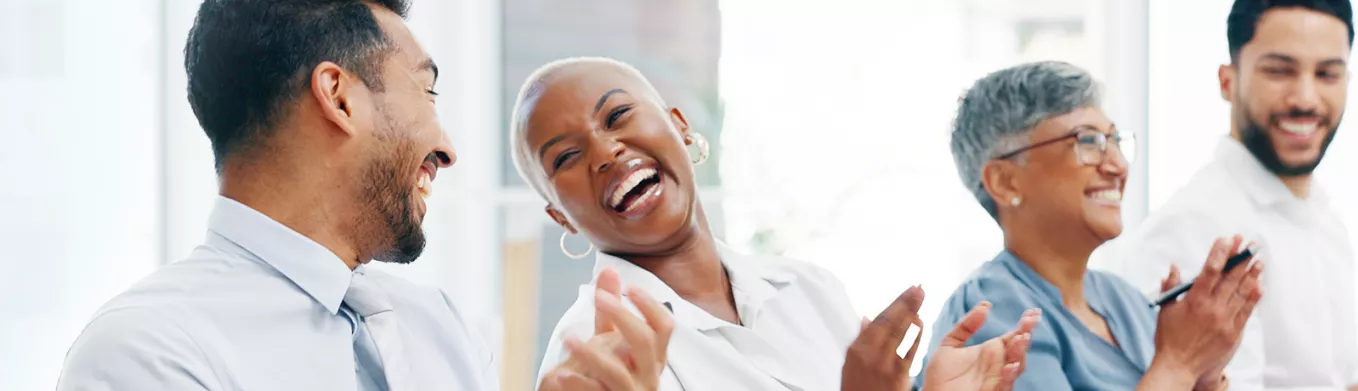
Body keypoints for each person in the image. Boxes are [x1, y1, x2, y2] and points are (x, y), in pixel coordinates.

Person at [56, 1, 667, 390]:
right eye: (427, 94)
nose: (448, 148)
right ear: (339, 97)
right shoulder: (146, 353)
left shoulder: (444, 330)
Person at [509, 56, 1045, 391]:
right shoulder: (592, 351)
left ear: (679, 126)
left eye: (617, 116)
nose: (605, 151)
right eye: (565, 158)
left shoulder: (808, 289)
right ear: (561, 216)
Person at [913, 61, 1266, 391]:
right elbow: (1172, 370)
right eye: (1088, 142)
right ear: (1005, 181)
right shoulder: (990, 311)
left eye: (1114, 141)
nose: (1117, 165)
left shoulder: (1122, 299)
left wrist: (1204, 373)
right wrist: (1179, 362)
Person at [1115, 1, 1358, 390]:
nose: (1306, 98)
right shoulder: (1194, 227)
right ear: (1227, 82)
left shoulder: (1326, 219)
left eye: (1327, 73)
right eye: (1279, 71)